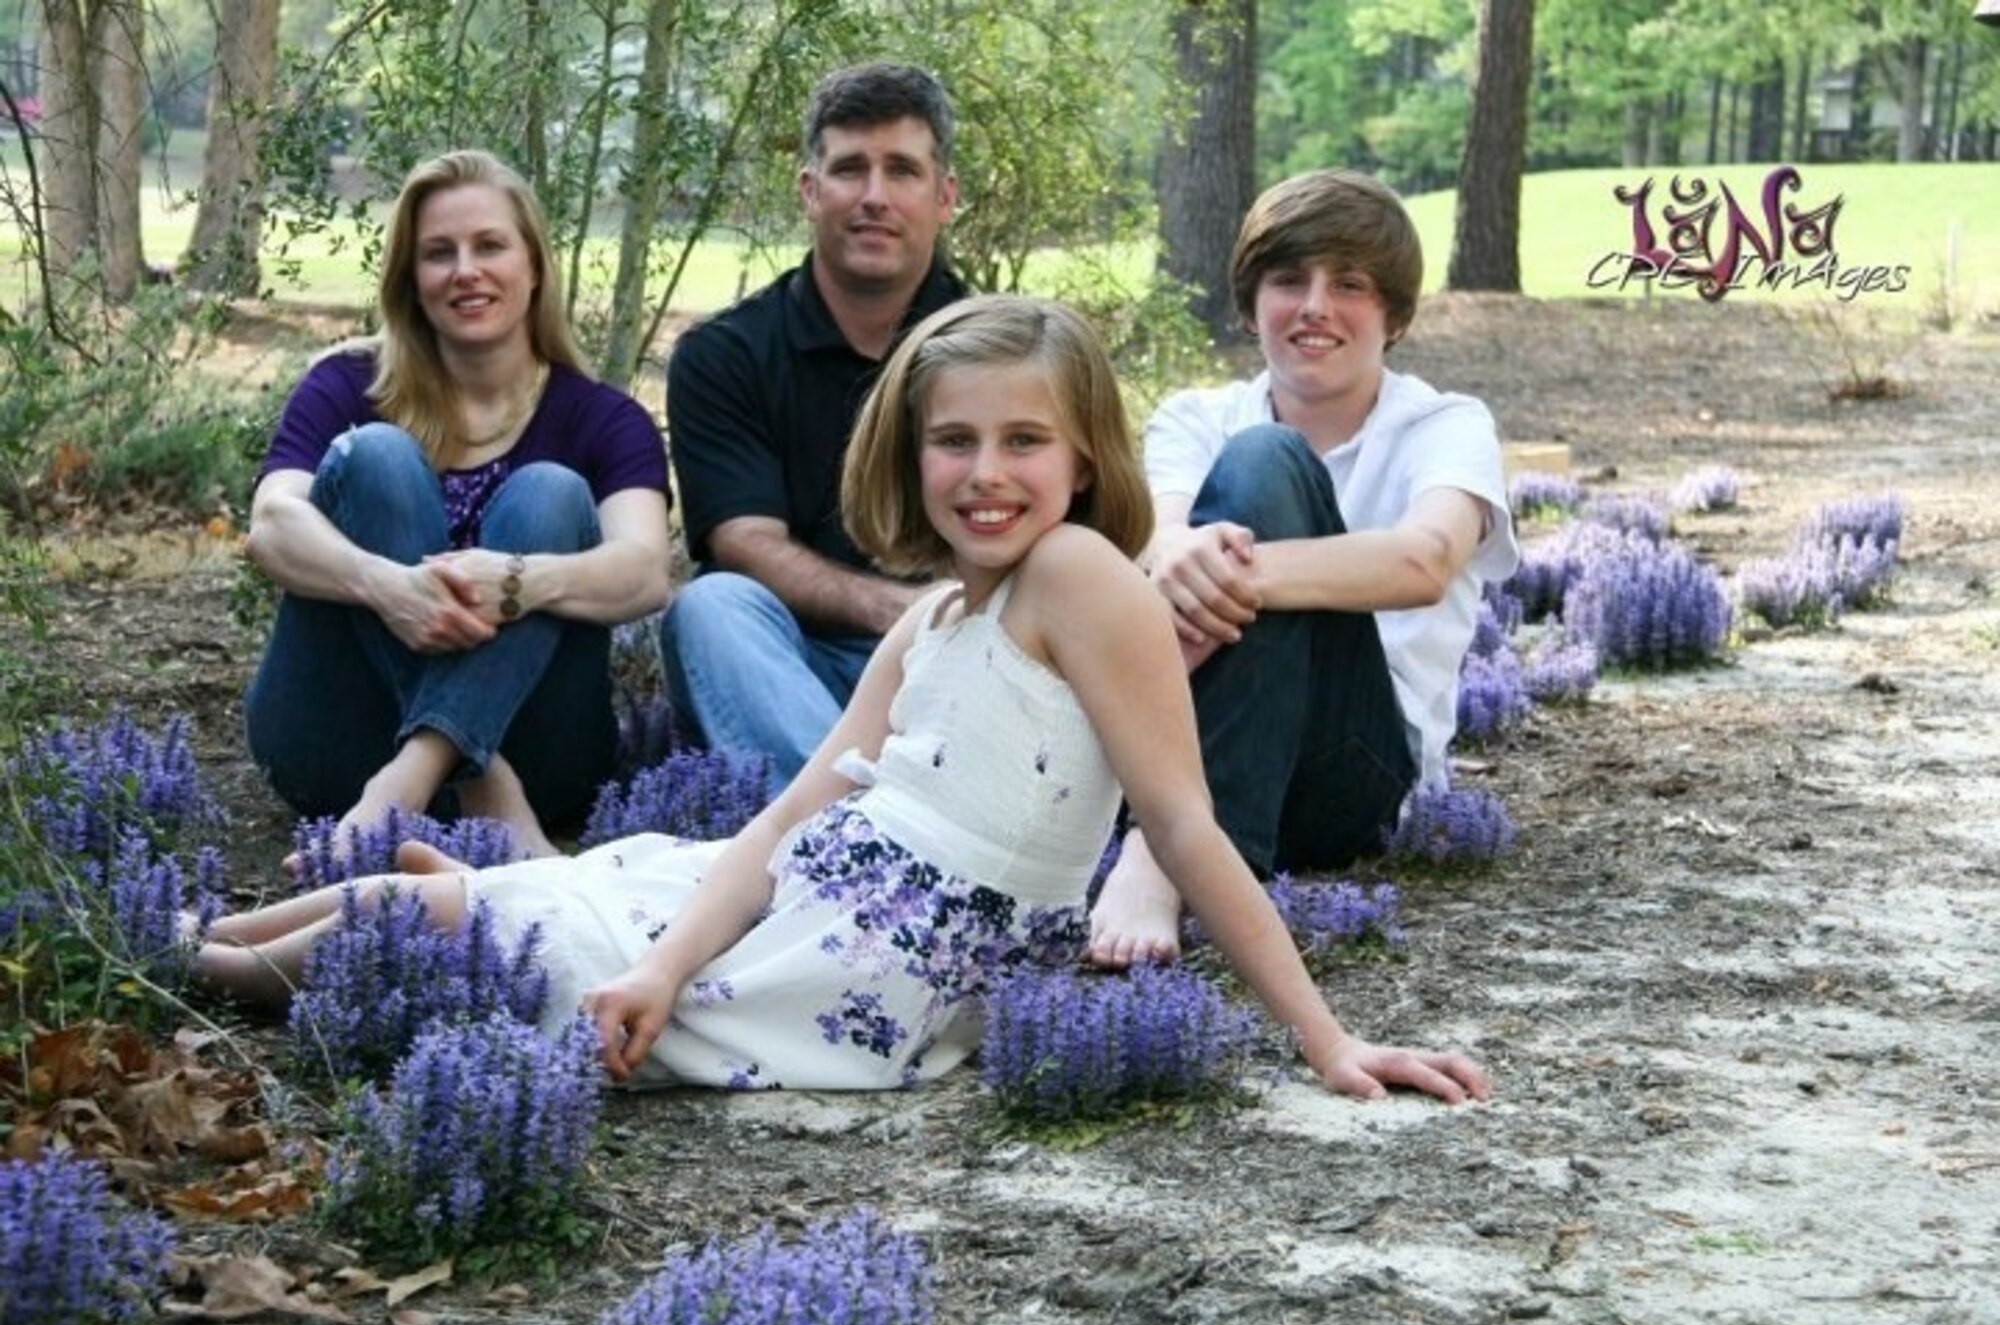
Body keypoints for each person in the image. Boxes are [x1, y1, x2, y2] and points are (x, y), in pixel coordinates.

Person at [197, 295, 1490, 1105]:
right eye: (954, 440)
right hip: (815, 895)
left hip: (876, 964)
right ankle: (198, 941)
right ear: (909, 451)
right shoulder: (932, 620)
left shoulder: (1082, 577)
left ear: (1086, 454)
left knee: (447, 918)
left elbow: (1188, 828)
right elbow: (778, 827)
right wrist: (662, 957)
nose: (986, 474)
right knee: (485, 898)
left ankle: (185, 967)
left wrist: (1328, 1043)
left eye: (1024, 440)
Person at [1087, 169, 1521, 968]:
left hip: (1349, 769)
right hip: (1183, 735)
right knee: (1252, 468)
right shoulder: (1195, 416)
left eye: (1349, 284)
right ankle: (1187, 833)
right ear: (1253, 303)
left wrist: (1220, 568)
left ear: (1391, 315)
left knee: (1263, 466)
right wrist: (1169, 548)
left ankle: (1162, 854)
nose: (1315, 305)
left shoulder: (1445, 424)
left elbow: (1422, 560)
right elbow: (1151, 535)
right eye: (1290, 280)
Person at [243, 150, 672, 860]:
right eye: (439, 253)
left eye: (490, 246)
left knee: (553, 493)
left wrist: (519, 581)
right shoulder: (347, 384)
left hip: (543, 758)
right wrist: (388, 587)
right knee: (376, 455)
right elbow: (271, 526)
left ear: (534, 266)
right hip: (338, 746)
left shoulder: (603, 420)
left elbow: (644, 570)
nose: (465, 270)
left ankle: (408, 782)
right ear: (413, 280)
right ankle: (481, 782)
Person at [661, 62, 966, 797]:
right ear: (809, 190)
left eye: (901, 171)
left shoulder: (1005, 351)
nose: (873, 197)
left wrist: (944, 621)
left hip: (960, 658)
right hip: (792, 664)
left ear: (944, 196)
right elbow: (744, 542)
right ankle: (856, 831)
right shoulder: (725, 356)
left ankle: (847, 831)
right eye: (849, 169)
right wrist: (896, 608)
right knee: (709, 606)